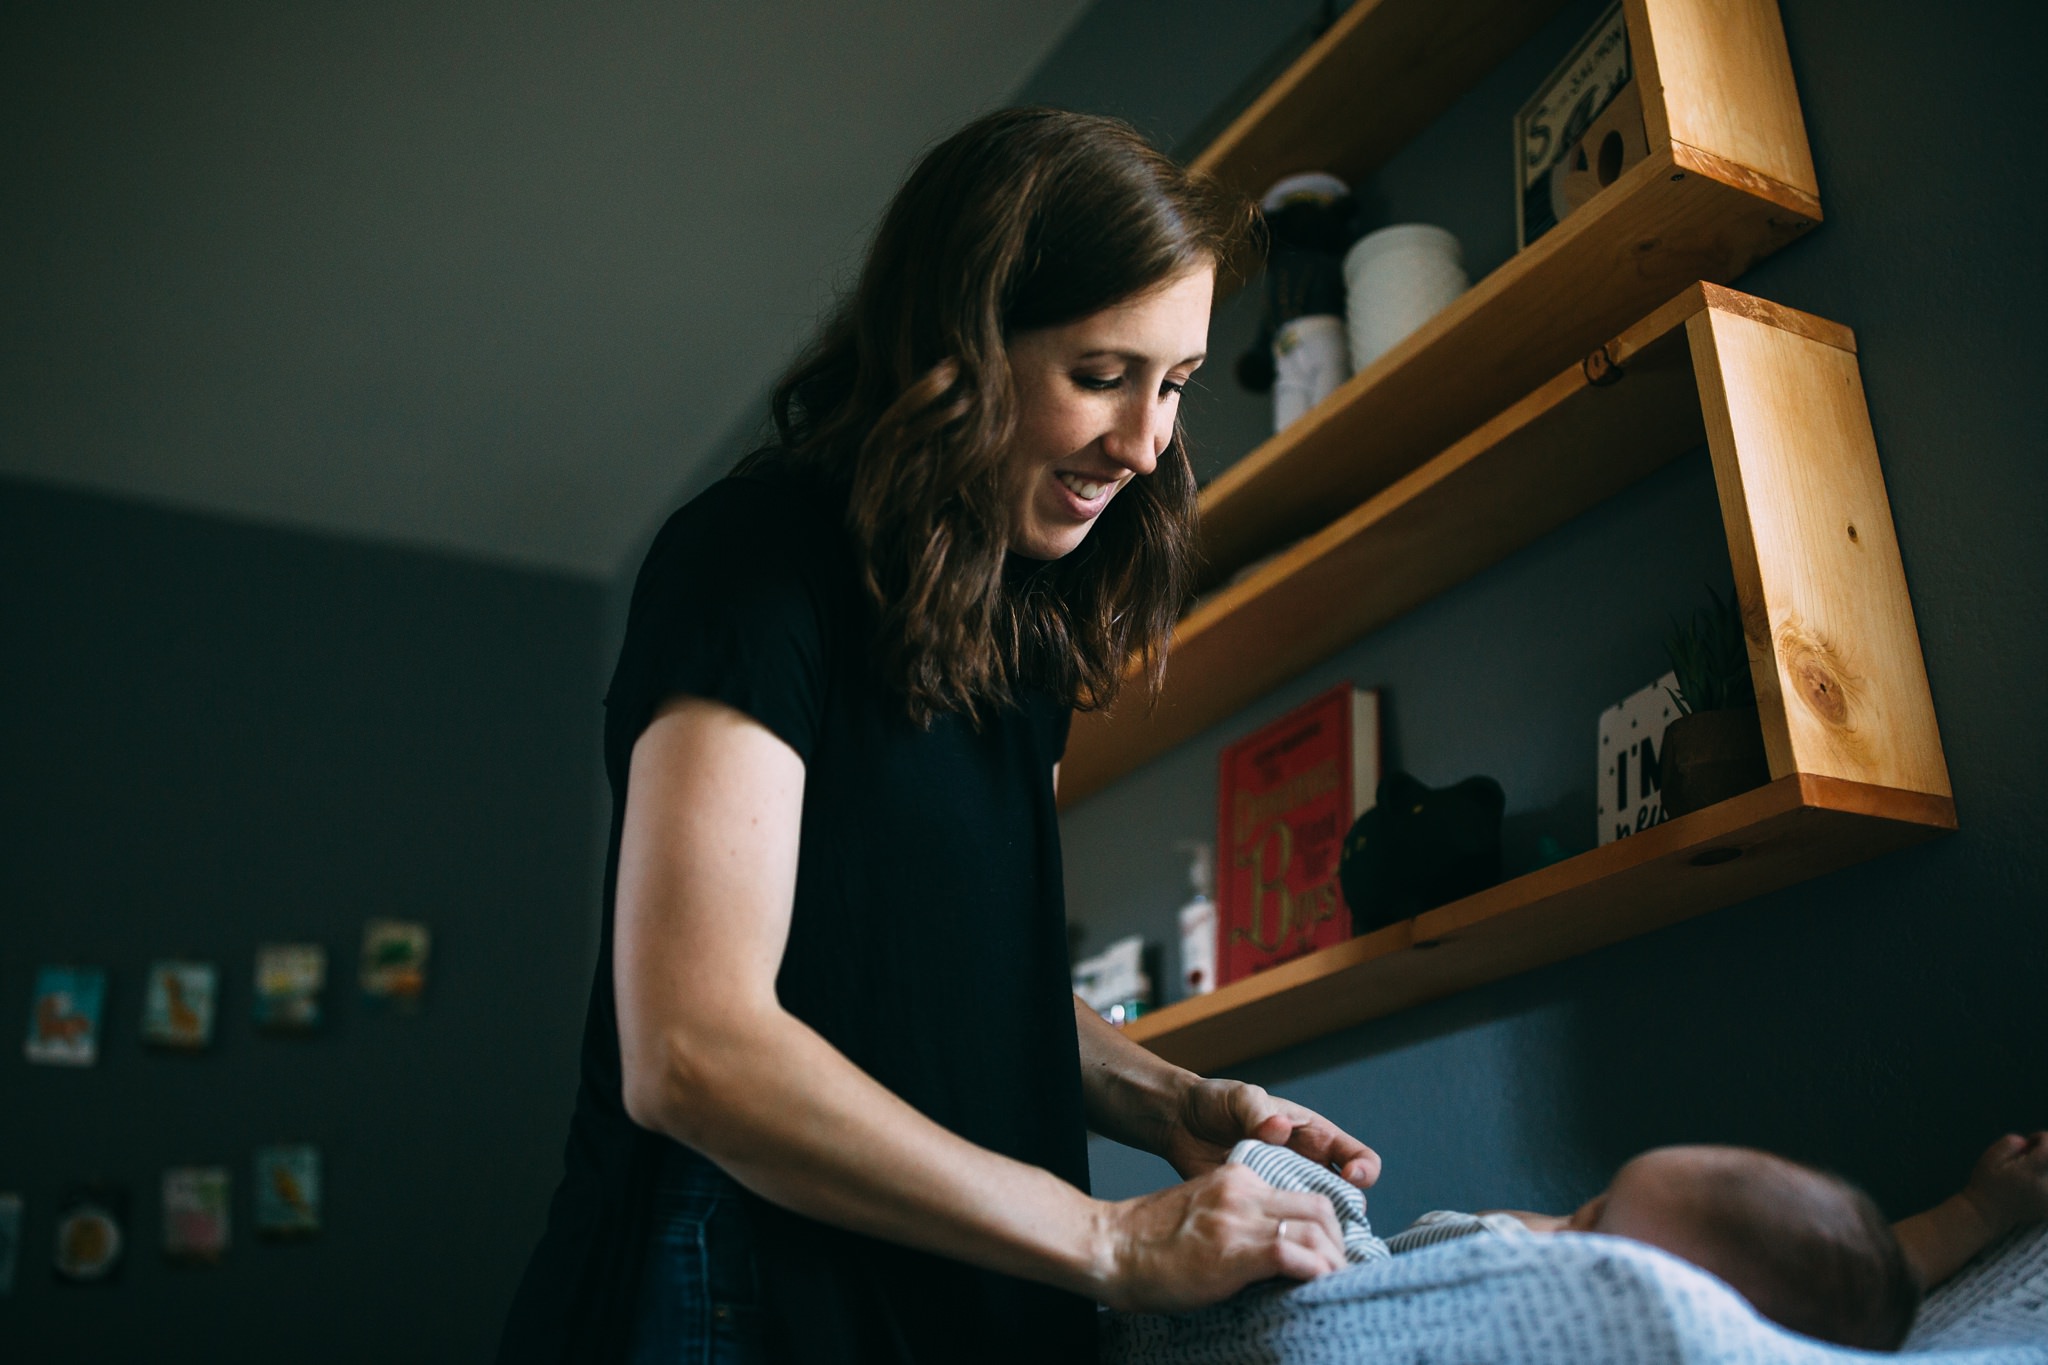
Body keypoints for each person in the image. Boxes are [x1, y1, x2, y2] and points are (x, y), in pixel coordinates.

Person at [496, 107, 1384, 1365]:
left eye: (1173, 384)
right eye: (1099, 374)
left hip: (958, 1286)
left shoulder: (1026, 611)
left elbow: (958, 977)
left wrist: (1168, 1101)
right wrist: (1111, 1241)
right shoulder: (756, 564)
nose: (1144, 446)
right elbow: (692, 1052)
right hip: (738, 1286)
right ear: (956, 344)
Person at [1223, 1129, 2048, 1351]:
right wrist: (1978, 1210)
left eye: (1591, 1227)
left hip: (1359, 1281)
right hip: (1392, 1255)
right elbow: (1869, 1274)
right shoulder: (1778, 1282)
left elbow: (1840, 1295)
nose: (1562, 1224)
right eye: (1592, 1203)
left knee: (1310, 1218)